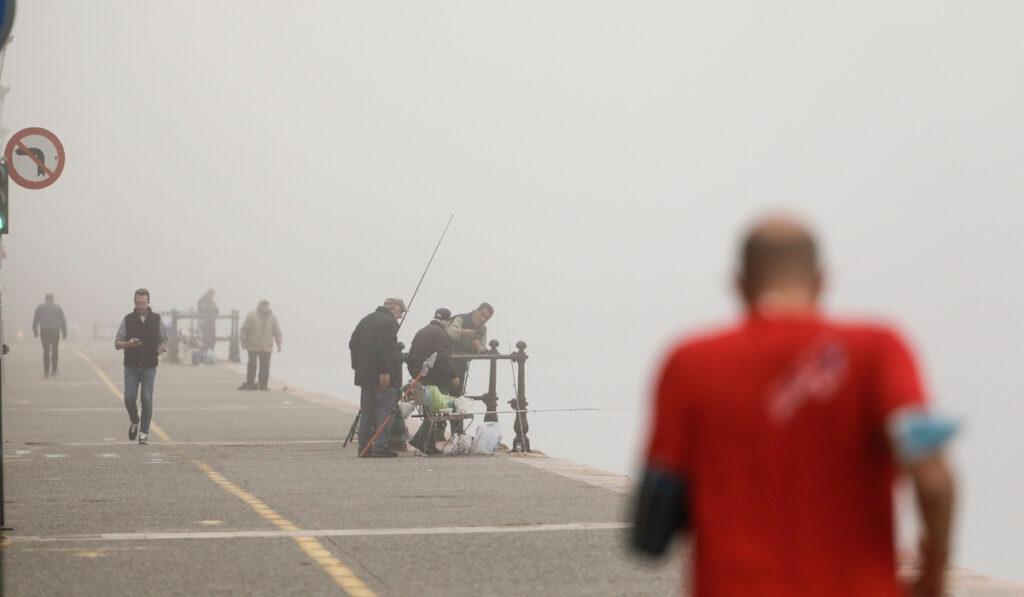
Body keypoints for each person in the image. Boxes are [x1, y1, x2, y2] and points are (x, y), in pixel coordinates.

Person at [633, 216, 955, 597]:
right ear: (821, 280)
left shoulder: (688, 361)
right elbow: (933, 481)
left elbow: (654, 523)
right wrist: (933, 575)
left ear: (738, 284)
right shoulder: (879, 349)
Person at [349, 297, 406, 458]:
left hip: (364, 374)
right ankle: (380, 446)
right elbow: (385, 348)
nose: (401, 316)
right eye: (401, 311)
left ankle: (364, 447)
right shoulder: (390, 323)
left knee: (367, 411)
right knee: (384, 410)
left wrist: (356, 366)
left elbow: (353, 343)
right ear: (394, 308)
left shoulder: (366, 319)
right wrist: (384, 371)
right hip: (380, 375)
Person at [114, 288, 168, 445]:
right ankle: (134, 420)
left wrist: (159, 351)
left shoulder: (156, 319)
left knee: (146, 399)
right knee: (129, 398)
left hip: (150, 366)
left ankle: (144, 432)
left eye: (143, 303)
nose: (141, 306)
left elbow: (164, 340)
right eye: (138, 303)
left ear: (148, 302)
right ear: (134, 302)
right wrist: (128, 344)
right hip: (131, 366)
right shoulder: (128, 319)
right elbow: (117, 343)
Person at [406, 308, 460, 455]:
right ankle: (421, 440)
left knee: (428, 412)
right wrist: (453, 376)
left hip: (419, 378)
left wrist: (414, 373)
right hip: (435, 378)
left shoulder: (421, 331)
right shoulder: (442, 335)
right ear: (447, 321)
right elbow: (443, 357)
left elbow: (410, 357)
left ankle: (426, 442)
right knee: (435, 412)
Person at [446, 302, 494, 396]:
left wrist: (478, 346)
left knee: (456, 394)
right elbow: (449, 332)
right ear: (477, 311)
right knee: (442, 391)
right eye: (482, 315)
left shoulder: (483, 329)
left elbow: (483, 347)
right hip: (448, 359)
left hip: (462, 363)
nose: (483, 319)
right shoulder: (461, 318)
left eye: (487, 318)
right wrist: (462, 332)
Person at [238, 299, 283, 390]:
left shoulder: (273, 317)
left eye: (266, 304)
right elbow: (244, 329)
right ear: (259, 304)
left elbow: (277, 331)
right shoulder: (251, 315)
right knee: (252, 365)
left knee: (265, 366)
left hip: (266, 346)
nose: (264, 306)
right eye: (263, 304)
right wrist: (243, 340)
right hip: (253, 345)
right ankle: (250, 383)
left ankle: (263, 385)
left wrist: (279, 343)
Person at [32, 293, 67, 378]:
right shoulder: (58, 307)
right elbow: (62, 320)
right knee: (55, 350)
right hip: (55, 330)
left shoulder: (40, 307)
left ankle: (46, 371)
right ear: (53, 299)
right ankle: (54, 370)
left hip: (44, 330)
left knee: (46, 350)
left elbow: (36, 319)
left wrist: (35, 330)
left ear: (45, 298)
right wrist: (64, 332)